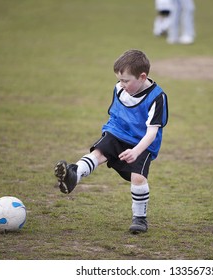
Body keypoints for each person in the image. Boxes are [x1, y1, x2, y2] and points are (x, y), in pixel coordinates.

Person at [54, 49, 169, 234]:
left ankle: (140, 219)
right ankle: (74, 173)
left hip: (141, 143)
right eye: (120, 79)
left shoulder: (157, 97)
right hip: (117, 132)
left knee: (138, 177)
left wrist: (136, 151)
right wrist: (110, 136)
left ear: (142, 77)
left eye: (126, 80)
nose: (121, 84)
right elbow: (115, 115)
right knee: (99, 153)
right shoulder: (119, 89)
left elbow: (152, 133)